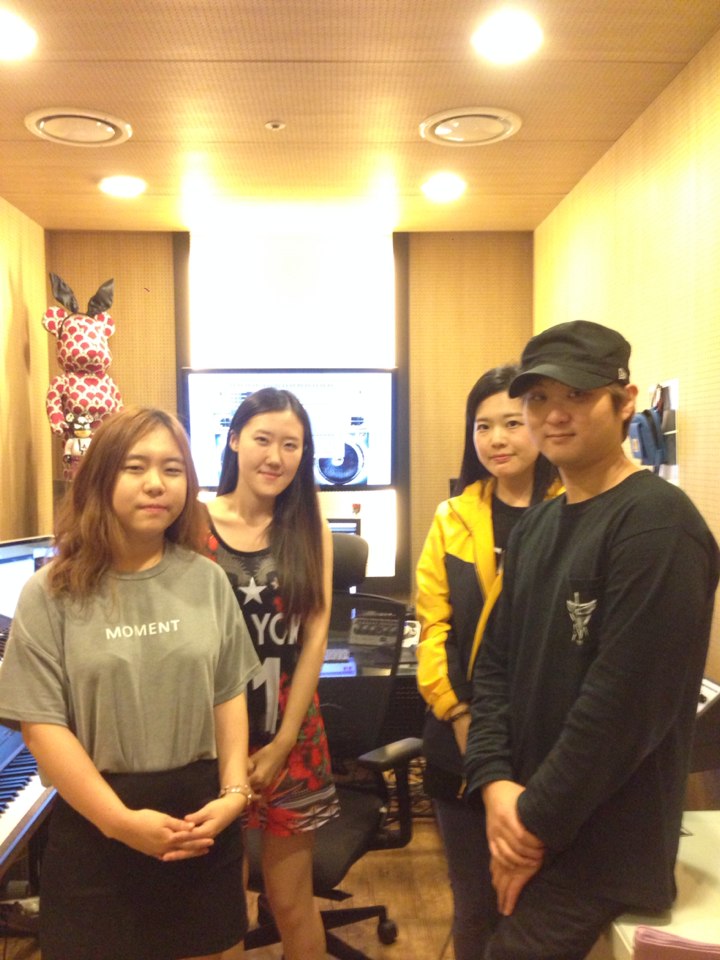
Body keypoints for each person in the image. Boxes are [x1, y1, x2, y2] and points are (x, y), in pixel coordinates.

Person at [464, 321, 720, 960]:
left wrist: (530, 824)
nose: (553, 415)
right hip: (527, 819)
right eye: (538, 398)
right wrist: (494, 781)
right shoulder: (539, 526)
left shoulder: (658, 526)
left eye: (576, 396)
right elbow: (493, 667)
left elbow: (621, 711)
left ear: (625, 401)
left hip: (603, 850)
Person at [0, 406, 261, 960]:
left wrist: (235, 793)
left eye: (172, 469)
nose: (156, 483)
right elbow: (42, 726)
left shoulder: (208, 580)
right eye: (135, 467)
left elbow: (228, 693)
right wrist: (119, 822)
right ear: (100, 478)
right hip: (97, 825)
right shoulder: (49, 594)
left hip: (200, 821)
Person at [415, 364, 560, 960]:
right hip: (458, 739)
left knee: (541, 906)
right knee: (475, 902)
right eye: (482, 426)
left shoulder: (575, 509)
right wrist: (458, 715)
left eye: (512, 422)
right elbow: (433, 626)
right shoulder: (452, 517)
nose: (497, 439)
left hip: (548, 746)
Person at [203, 387, 339, 960]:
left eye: (291, 445)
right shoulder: (193, 524)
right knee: (220, 905)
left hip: (293, 737)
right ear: (235, 440)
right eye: (263, 439)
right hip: (209, 739)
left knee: (291, 902)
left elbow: (316, 634)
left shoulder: (308, 526)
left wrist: (283, 742)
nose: (276, 456)